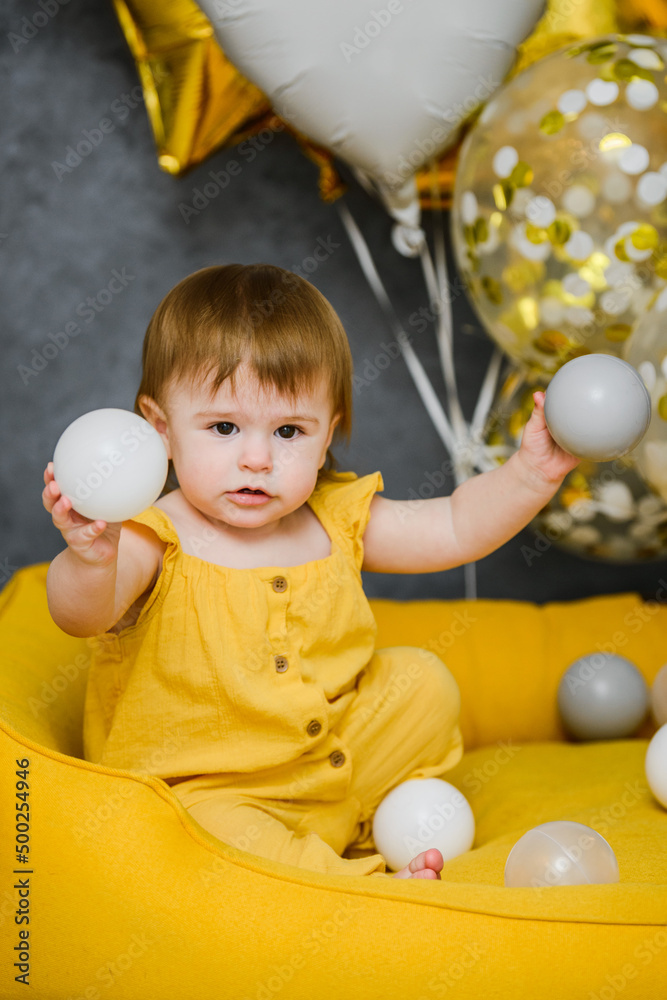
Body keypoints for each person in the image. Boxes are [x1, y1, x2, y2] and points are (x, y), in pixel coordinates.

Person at [42, 263, 579, 881]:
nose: (257, 458)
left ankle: (356, 820)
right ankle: (352, 885)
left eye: (290, 431)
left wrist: (531, 477)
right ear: (159, 429)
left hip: (333, 758)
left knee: (423, 685)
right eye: (223, 427)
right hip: (213, 791)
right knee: (203, 831)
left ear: (326, 439)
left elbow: (455, 526)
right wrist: (89, 557)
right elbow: (82, 616)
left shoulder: (335, 519)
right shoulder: (148, 536)